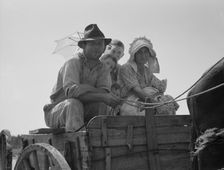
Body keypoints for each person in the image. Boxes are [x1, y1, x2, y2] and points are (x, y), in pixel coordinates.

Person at [43, 24, 121, 132]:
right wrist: (99, 93)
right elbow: (72, 93)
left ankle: (100, 138)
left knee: (102, 104)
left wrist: (84, 88)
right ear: (83, 46)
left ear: (104, 48)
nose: (97, 47)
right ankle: (79, 140)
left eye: (100, 44)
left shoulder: (103, 68)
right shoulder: (73, 62)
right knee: (74, 103)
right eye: (93, 43)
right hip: (58, 111)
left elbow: (104, 91)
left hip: (84, 109)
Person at [118, 37, 179, 115]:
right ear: (134, 54)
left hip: (146, 103)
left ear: (149, 54)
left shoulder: (147, 71)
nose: (143, 56)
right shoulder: (126, 68)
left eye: (145, 52)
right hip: (130, 104)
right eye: (140, 52)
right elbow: (137, 91)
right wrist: (155, 103)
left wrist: (163, 100)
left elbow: (159, 89)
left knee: (168, 100)